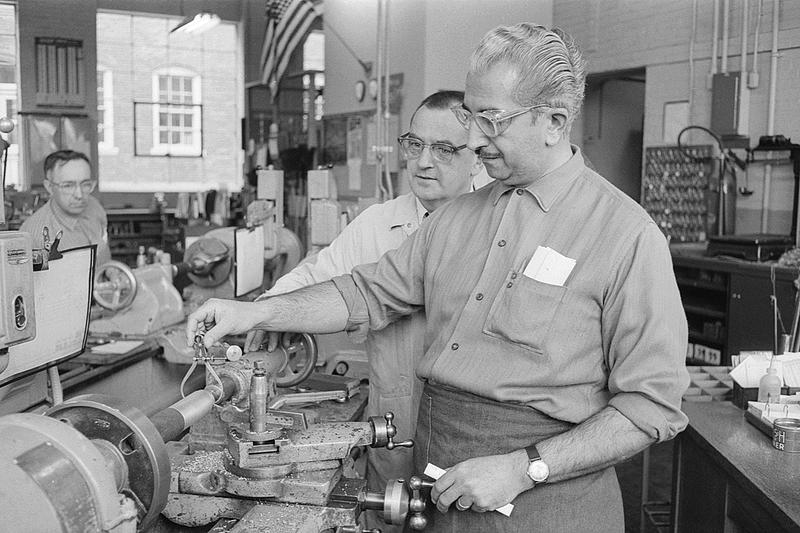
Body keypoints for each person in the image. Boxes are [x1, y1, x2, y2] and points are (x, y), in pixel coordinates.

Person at [188, 23, 689, 532]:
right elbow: (365, 292)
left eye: (491, 120)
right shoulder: (456, 219)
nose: (473, 138)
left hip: (546, 506)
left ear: (554, 122)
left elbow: (651, 406)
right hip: (439, 491)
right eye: (472, 116)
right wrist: (257, 310)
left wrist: (527, 467)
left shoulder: (626, 236)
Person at [244, 90, 483, 532]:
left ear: (478, 156)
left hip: (469, 428)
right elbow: (318, 275)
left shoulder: (499, 222)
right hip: (394, 419)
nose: (424, 161)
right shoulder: (378, 223)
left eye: (445, 149)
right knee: (389, 516)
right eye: (415, 145)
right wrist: (265, 312)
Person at [20, 150, 111, 265]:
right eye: (68, 186)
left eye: (86, 184)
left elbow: (103, 247)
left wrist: (111, 272)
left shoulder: (95, 207)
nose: (79, 195)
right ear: (49, 187)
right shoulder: (35, 235)